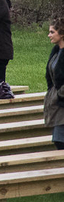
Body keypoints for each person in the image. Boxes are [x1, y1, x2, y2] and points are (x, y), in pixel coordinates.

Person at [43, 18, 61, 150]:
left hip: (61, 100)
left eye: (52, 32)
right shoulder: (56, 51)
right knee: (58, 141)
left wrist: (60, 94)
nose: (49, 35)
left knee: (60, 140)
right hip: (57, 103)